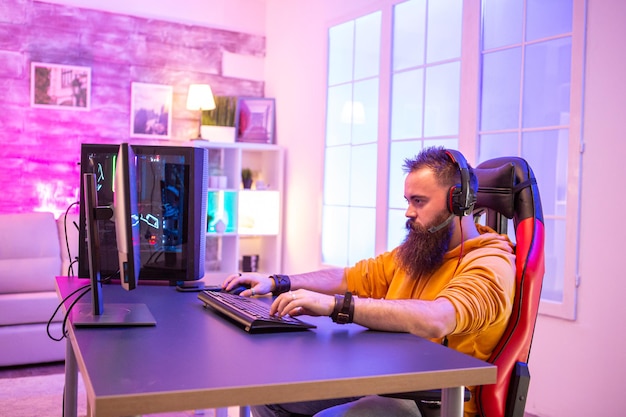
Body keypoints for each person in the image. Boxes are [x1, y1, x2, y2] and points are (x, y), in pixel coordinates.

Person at [222, 146, 516, 417]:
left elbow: (439, 318)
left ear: (457, 203)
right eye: (408, 200)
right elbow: (348, 277)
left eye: (419, 202)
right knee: (270, 391)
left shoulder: (490, 264)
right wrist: (279, 282)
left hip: (435, 401)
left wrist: (337, 307)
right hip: (389, 376)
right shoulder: (422, 251)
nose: (409, 212)